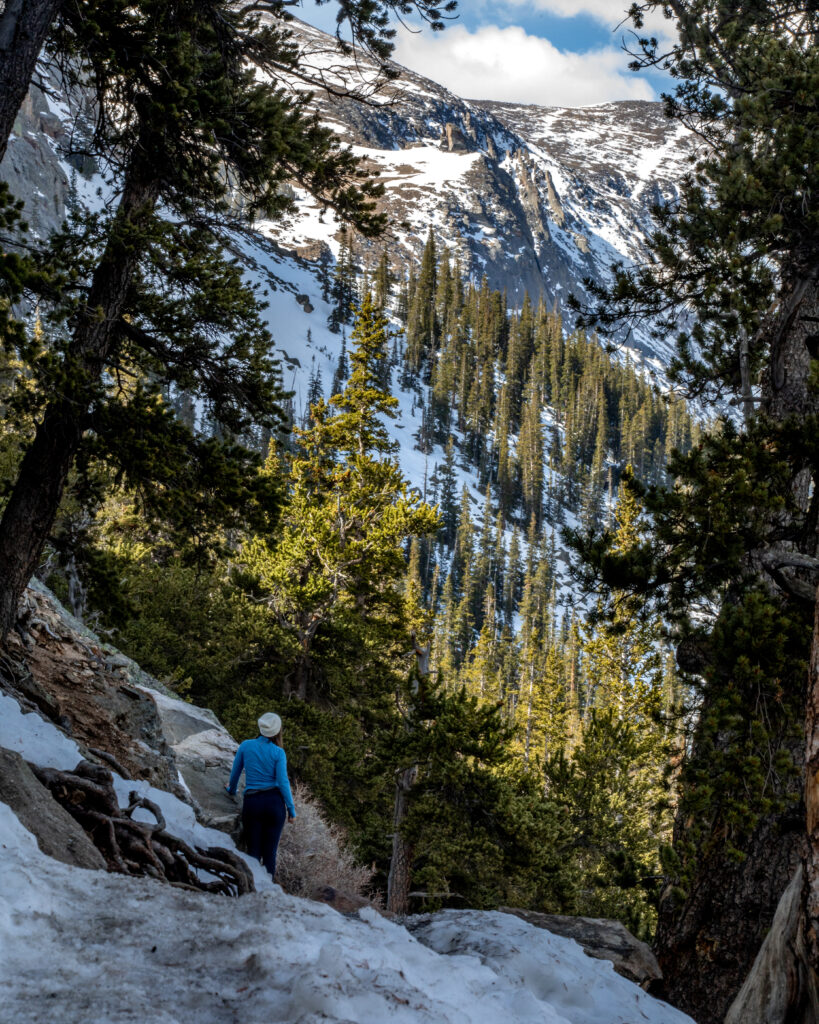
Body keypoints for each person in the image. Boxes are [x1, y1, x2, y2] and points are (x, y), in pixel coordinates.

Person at [225, 712, 297, 880]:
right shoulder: (279, 752)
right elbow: (283, 781)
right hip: (274, 804)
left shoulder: (245, 746)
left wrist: (231, 790)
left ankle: (251, 892)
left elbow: (235, 774)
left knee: (253, 853)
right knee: (270, 855)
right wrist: (291, 811)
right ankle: (268, 896)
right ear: (277, 731)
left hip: (253, 803)